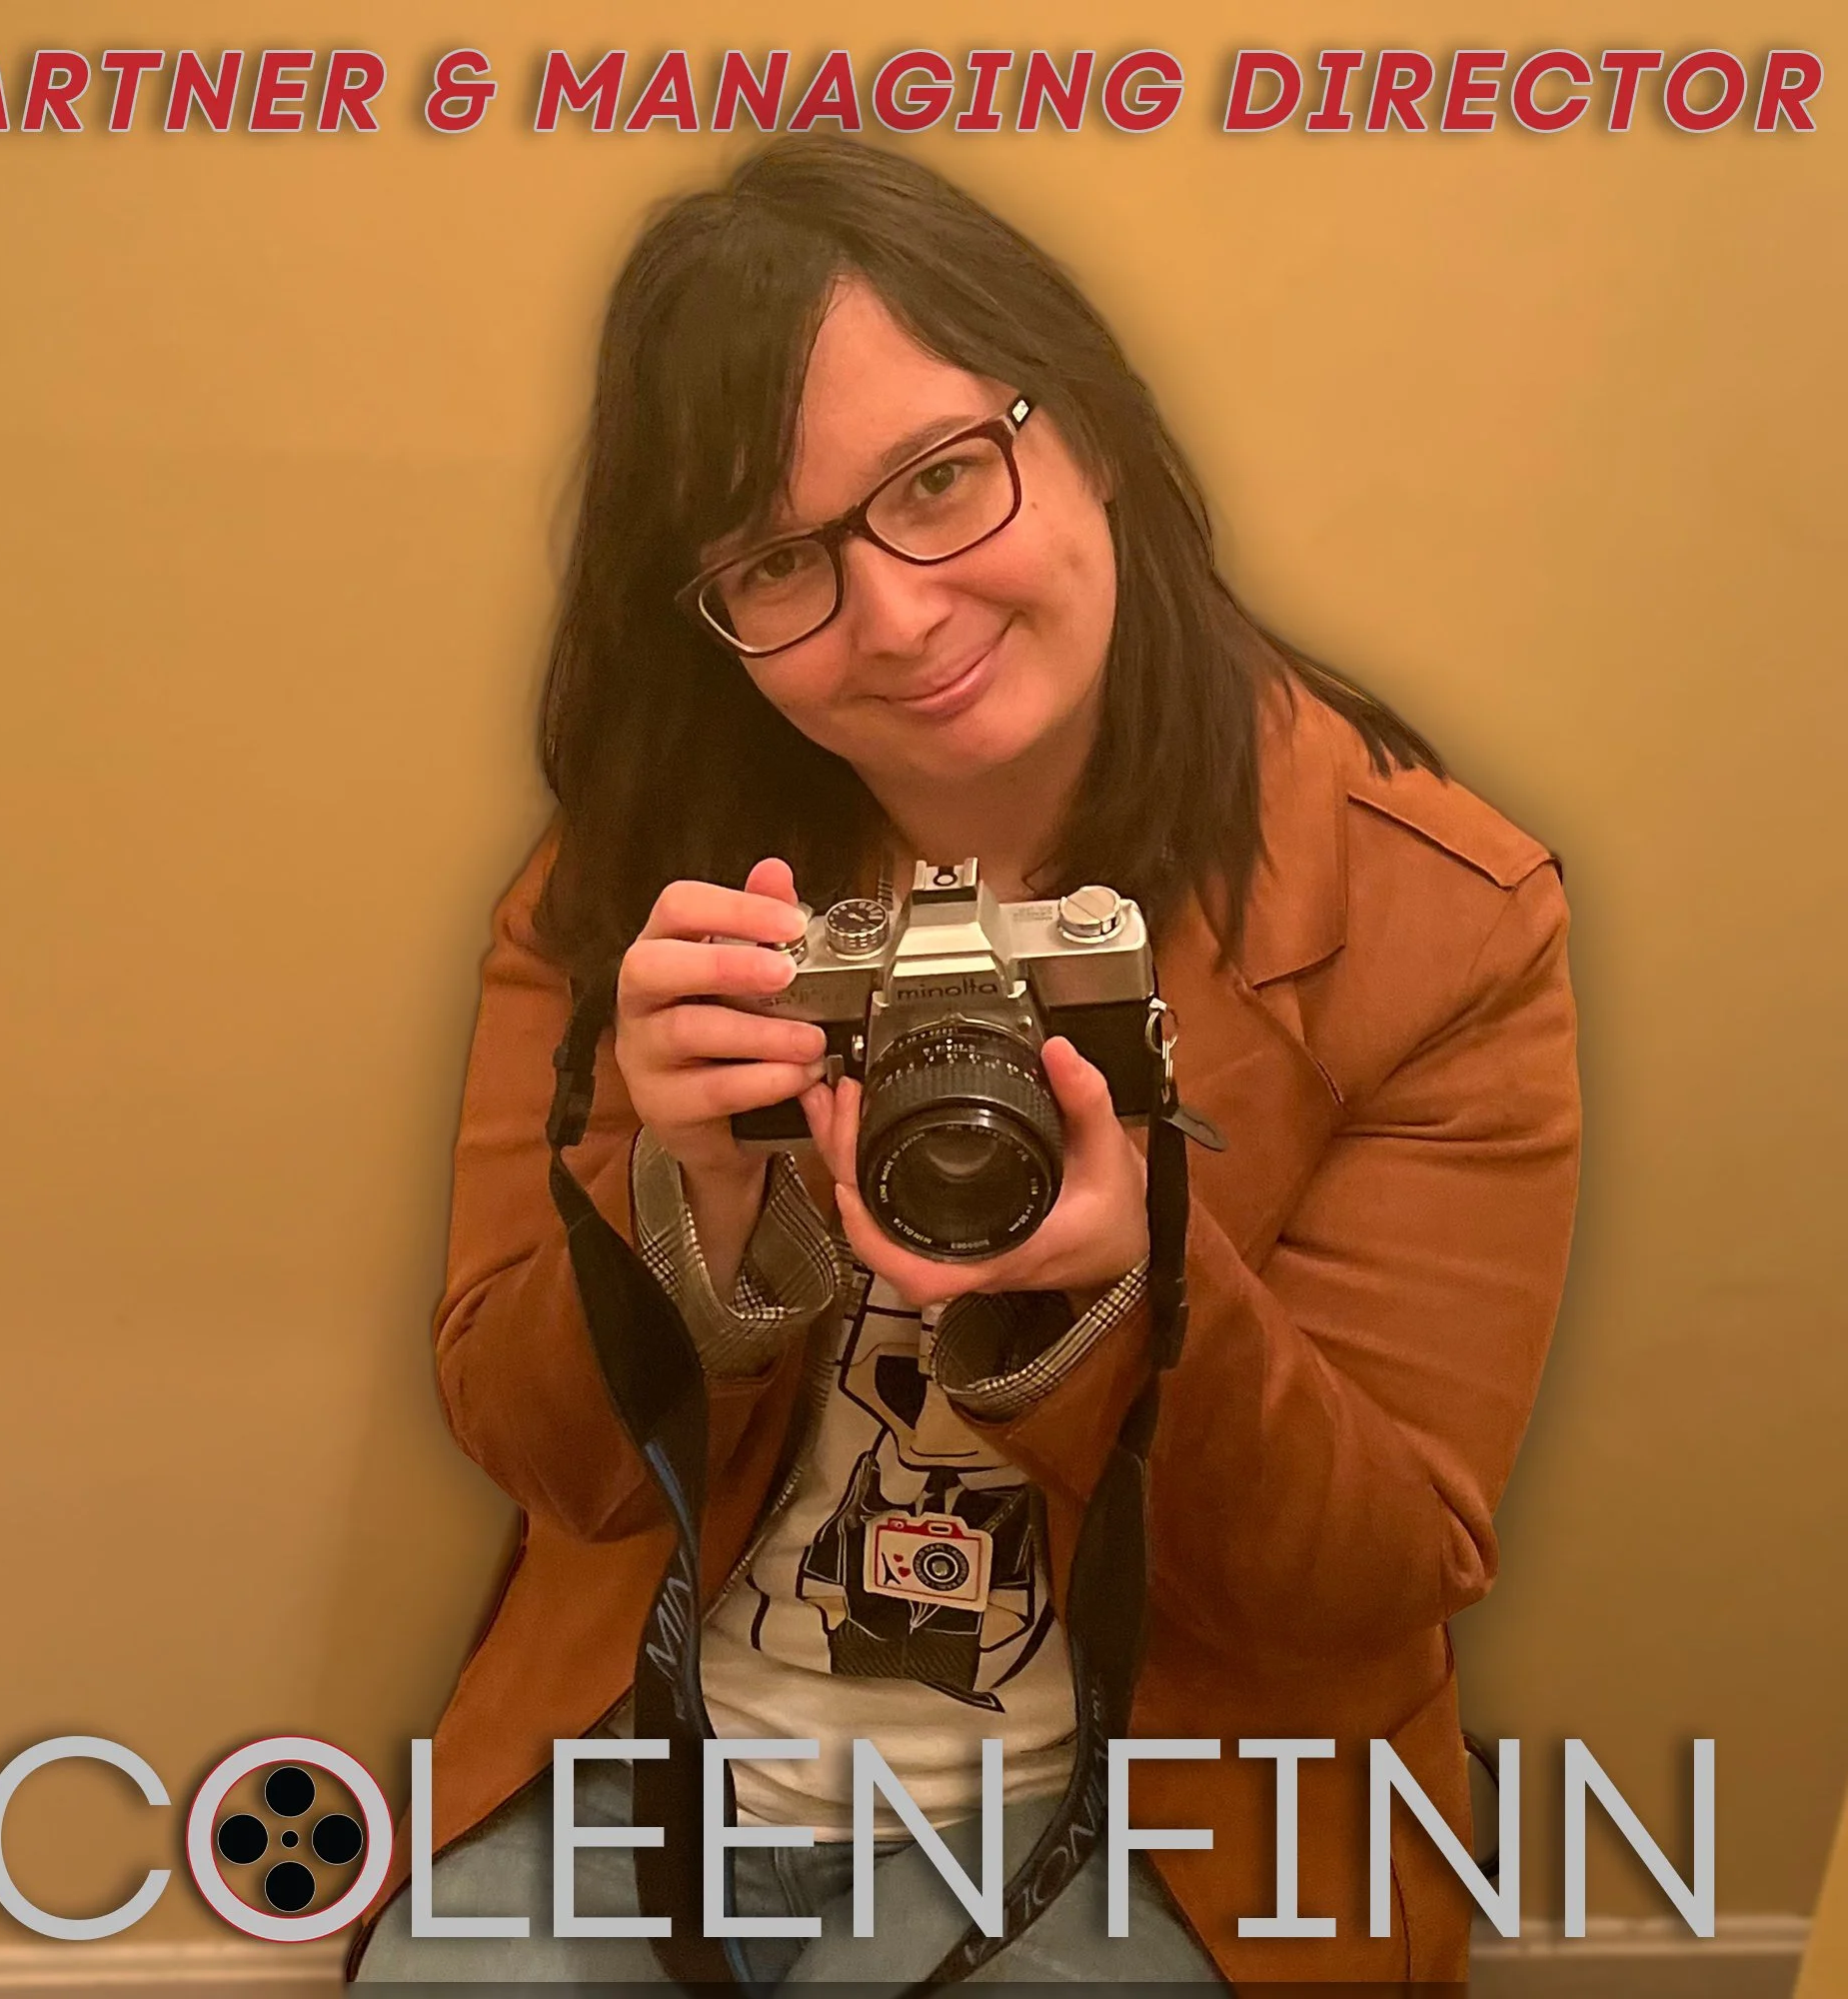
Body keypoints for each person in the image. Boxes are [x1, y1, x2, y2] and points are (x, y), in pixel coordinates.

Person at [348, 136, 1579, 1987]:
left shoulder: (1438, 924)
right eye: (779, 561)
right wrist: (682, 1199)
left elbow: (1356, 1596)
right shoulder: (632, 884)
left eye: (938, 479)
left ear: (1080, 417)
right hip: (664, 1744)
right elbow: (552, 1465)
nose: (900, 617)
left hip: (1168, 1798)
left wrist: (1126, 1295)